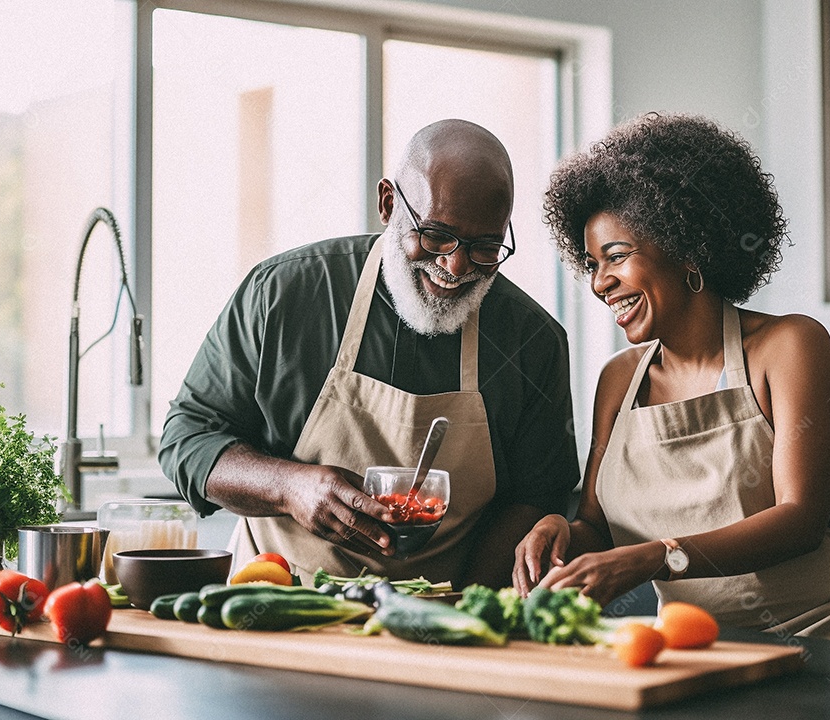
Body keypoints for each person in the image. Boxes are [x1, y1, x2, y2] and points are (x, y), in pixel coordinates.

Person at [513, 112, 830, 645]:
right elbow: (597, 528)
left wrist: (656, 556)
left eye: (616, 257)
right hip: (695, 648)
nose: (601, 283)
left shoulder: (789, 346)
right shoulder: (618, 381)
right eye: (591, 264)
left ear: (688, 244)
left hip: (820, 646)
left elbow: (801, 519)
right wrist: (560, 534)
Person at [159, 119, 580, 589]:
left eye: (484, 247)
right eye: (436, 234)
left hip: (445, 612)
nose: (456, 266)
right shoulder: (285, 294)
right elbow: (187, 439)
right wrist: (290, 487)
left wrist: (463, 606)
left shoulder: (532, 339)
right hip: (276, 598)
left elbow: (538, 494)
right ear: (388, 203)